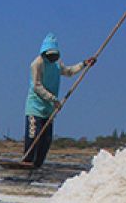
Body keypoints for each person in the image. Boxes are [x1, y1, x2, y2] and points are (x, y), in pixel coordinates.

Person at [20, 33, 95, 168]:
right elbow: (36, 86)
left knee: (46, 140)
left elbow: (69, 72)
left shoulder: (57, 64)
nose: (52, 58)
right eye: (50, 55)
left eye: (55, 55)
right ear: (44, 53)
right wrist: (53, 99)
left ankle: (38, 165)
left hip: (49, 109)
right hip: (35, 107)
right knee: (33, 137)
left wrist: (84, 64)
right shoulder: (37, 64)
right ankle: (27, 162)